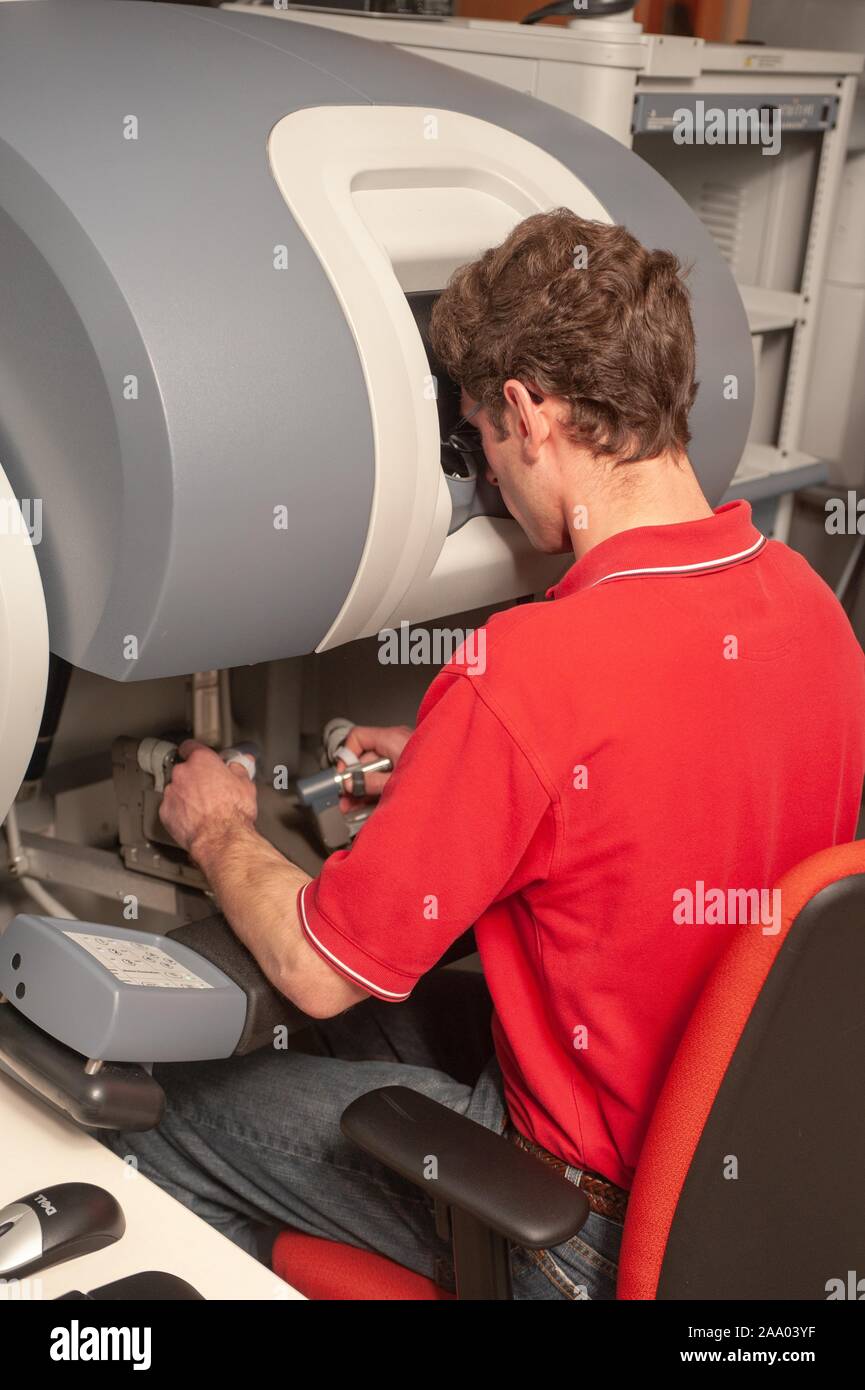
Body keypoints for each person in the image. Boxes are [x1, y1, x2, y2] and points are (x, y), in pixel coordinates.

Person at [101, 210, 865, 1300]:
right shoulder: (806, 607)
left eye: (477, 441)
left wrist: (218, 821)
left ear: (526, 410)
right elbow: (671, 788)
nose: (489, 483)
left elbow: (319, 971)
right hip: (731, 1196)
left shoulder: (534, 668)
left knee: (161, 1113)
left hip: (571, 1235)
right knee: (374, 1017)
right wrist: (454, 768)